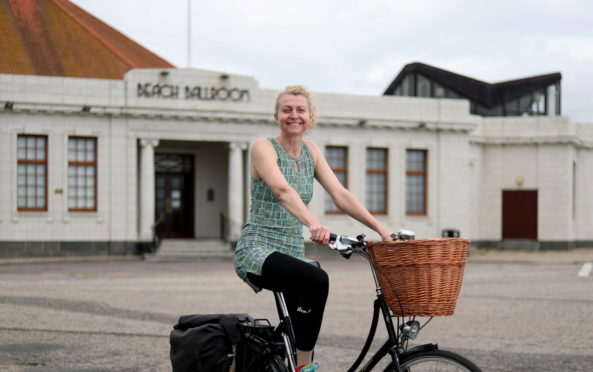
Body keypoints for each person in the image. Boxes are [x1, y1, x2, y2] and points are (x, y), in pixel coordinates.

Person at [234, 85, 393, 372]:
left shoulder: (312, 152)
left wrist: (381, 230)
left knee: (301, 319)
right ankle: (304, 368)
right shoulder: (263, 147)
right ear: (276, 115)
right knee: (317, 280)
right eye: (287, 110)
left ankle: (273, 359)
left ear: (310, 116)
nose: (293, 115)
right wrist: (314, 224)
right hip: (258, 248)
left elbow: (341, 195)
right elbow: (282, 191)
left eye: (300, 110)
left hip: (292, 249)